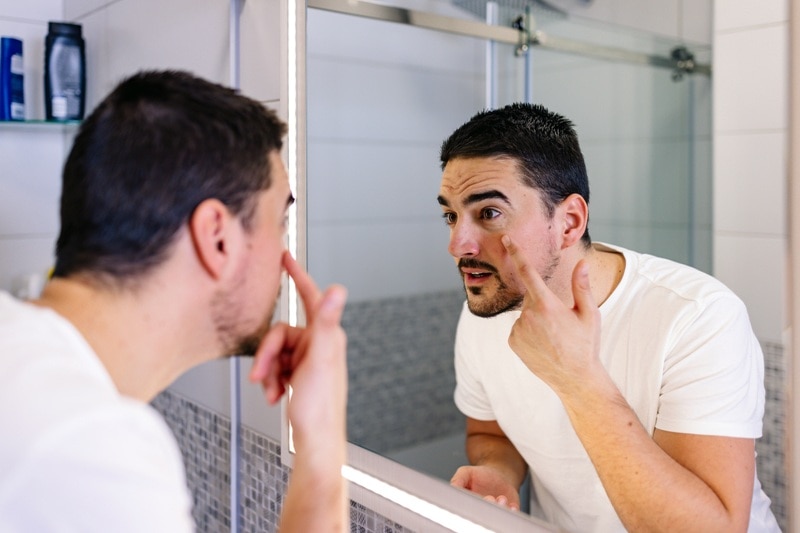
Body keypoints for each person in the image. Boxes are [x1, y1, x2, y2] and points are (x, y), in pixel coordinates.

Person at [0, 70, 348, 532]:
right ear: (217, 238)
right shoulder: (86, 445)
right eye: (280, 222)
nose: (286, 256)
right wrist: (322, 447)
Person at [438, 103, 779, 532]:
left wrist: (577, 378)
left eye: (488, 213)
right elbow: (492, 435)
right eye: (451, 215)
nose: (458, 244)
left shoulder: (698, 316)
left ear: (569, 222)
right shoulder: (487, 310)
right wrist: (498, 472)